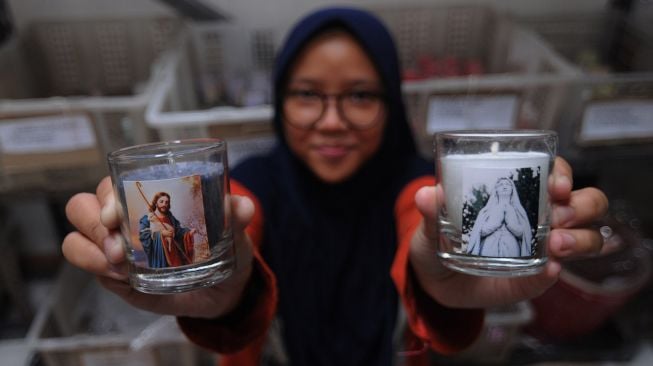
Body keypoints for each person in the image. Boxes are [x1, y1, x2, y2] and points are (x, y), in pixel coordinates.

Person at [62, 7, 609, 366]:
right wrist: (227, 294)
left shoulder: (426, 185)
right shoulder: (247, 187)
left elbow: (421, 227)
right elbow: (235, 223)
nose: (331, 121)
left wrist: (439, 287)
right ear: (280, 102)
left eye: (360, 96)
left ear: (392, 103)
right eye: (307, 95)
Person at [467, 177, 532, 257]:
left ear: (512, 189)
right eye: (501, 185)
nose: (504, 186)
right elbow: (479, 232)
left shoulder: (518, 210)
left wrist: (510, 224)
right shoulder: (487, 210)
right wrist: (496, 223)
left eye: (507, 184)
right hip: (489, 246)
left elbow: (525, 234)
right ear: (496, 190)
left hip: (511, 247)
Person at [139, 191, 196, 268]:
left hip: (174, 255)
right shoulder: (147, 219)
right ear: (156, 203)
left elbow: (178, 231)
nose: (164, 204)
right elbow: (144, 236)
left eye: (166, 202)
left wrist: (188, 233)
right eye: (161, 202)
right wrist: (161, 234)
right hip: (160, 257)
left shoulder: (170, 218)